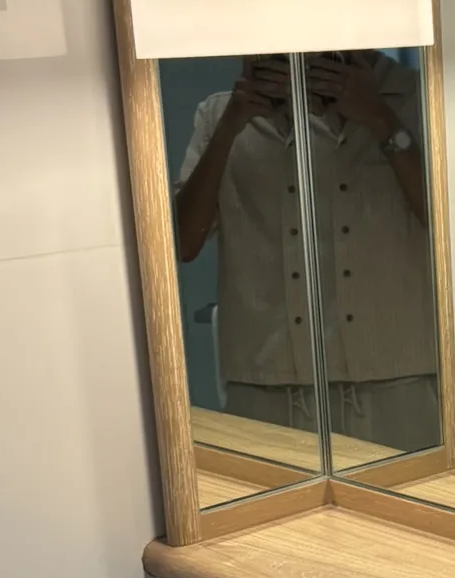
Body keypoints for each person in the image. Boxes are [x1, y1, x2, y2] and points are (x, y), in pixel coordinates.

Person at [173, 49, 439, 454]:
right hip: (264, 388)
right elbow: (183, 242)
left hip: (399, 384)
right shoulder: (219, 115)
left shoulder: (424, 98)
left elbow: (451, 229)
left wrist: (383, 121)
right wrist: (230, 127)